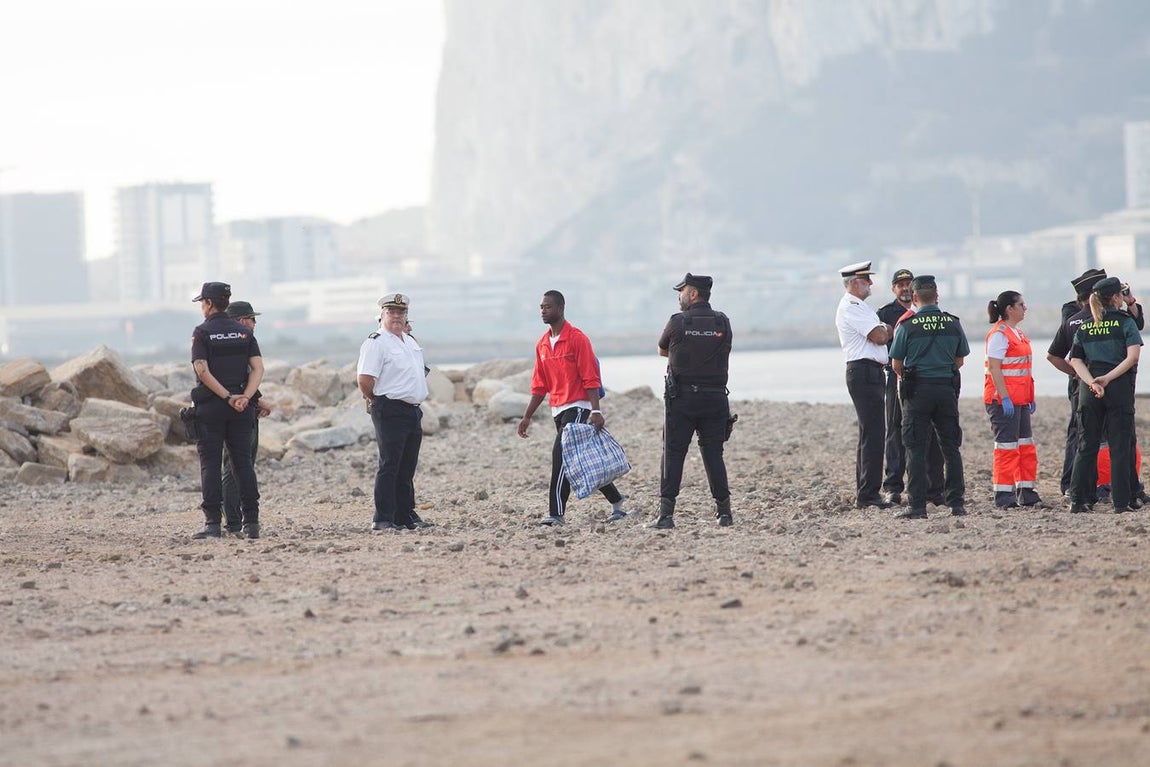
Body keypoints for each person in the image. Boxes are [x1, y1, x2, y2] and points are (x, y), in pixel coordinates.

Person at [517, 290, 632, 526]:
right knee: (579, 460)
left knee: (560, 457)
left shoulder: (577, 339)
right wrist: (527, 416)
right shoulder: (542, 345)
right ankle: (617, 501)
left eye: (548, 307)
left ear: (560, 308)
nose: (543, 311)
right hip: (557, 409)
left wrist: (596, 410)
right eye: (541, 307)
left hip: (579, 407)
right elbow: (540, 385)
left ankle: (556, 513)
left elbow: (591, 377)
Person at [649, 273, 735, 530]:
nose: (679, 296)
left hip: (683, 399)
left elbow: (662, 350)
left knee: (673, 454)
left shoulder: (678, 322)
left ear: (694, 293)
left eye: (682, 291)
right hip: (716, 398)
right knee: (713, 454)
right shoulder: (723, 322)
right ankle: (724, 513)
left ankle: (666, 515)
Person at [888, 275, 970, 520]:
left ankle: (917, 506)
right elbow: (960, 360)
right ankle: (956, 503)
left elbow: (896, 364)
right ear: (937, 296)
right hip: (946, 390)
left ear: (914, 297)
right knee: (951, 447)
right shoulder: (952, 323)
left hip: (917, 392)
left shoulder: (907, 325)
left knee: (915, 447)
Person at [189, 282, 264, 540]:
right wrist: (245, 397)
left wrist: (227, 397)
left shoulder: (202, 332)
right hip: (241, 409)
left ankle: (213, 523)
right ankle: (251, 522)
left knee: (210, 464)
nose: (202, 306)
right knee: (243, 463)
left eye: (202, 302)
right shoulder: (244, 332)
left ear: (209, 303)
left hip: (212, 407)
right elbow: (258, 368)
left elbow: (201, 369)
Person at [357, 293, 433, 531]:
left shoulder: (408, 340)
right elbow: (364, 379)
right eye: (391, 312)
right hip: (390, 407)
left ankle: (404, 514)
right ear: (381, 315)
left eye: (401, 312)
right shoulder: (376, 342)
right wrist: (376, 400)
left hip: (412, 410)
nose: (397, 316)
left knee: (407, 466)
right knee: (390, 464)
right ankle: (383, 517)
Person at [1067, 277, 1143, 514]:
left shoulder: (1085, 325)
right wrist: (1108, 378)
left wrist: (1091, 382)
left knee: (1086, 444)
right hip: (1117, 385)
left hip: (1090, 388)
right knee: (1120, 445)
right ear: (1116, 298)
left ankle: (1078, 500)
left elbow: (1075, 360)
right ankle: (1121, 502)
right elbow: (1133, 357)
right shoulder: (1125, 322)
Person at [877, 268, 944, 506]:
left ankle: (934, 488)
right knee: (895, 431)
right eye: (900, 284)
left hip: (927, 379)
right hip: (897, 378)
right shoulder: (885, 314)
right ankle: (893, 486)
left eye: (908, 284)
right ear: (893, 289)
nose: (905, 288)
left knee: (931, 432)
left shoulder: (932, 312)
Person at [835, 261, 893, 510]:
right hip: (864, 371)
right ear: (855, 283)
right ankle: (868, 493)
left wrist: (884, 329)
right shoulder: (852, 307)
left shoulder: (860, 307)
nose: (870, 283)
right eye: (866, 279)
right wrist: (886, 329)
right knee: (874, 434)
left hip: (870, 371)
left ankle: (866, 490)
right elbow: (879, 336)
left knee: (870, 433)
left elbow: (880, 332)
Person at [1046, 269, 1107, 498]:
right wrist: (1078, 373)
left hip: (1081, 382)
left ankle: (1075, 484)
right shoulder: (1087, 317)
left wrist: (1077, 373)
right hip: (1094, 382)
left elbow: (1054, 356)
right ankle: (1084, 484)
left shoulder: (1072, 318)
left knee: (1081, 434)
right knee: (1092, 435)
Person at [984, 291, 1041, 508]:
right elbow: (994, 368)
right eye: (1021, 305)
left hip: (1021, 400)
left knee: (1025, 446)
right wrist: (1005, 397)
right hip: (1004, 401)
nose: (1025, 308)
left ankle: (1026, 491)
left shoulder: (1017, 333)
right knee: (1006, 447)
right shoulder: (999, 334)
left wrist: (1029, 397)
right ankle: (1003, 495)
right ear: (1009, 308)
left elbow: (1023, 369)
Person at [220, 300, 272, 534]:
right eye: (252, 319)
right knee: (237, 465)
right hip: (240, 409)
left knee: (237, 465)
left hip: (237, 405)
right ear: (242, 320)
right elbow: (244, 376)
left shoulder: (220, 341)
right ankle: (235, 519)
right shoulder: (243, 341)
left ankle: (234, 518)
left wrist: (256, 400)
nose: (254, 323)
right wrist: (254, 400)